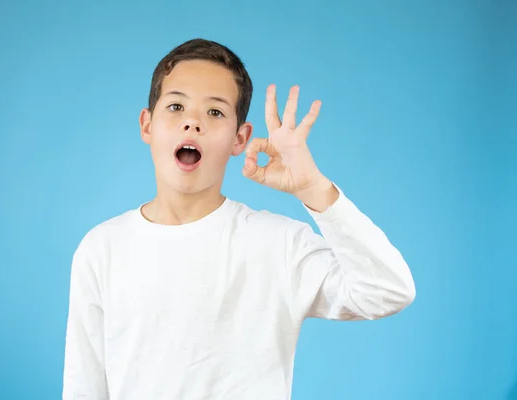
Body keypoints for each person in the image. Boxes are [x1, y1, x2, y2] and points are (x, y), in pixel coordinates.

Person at [62, 38, 416, 399]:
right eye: (175, 106)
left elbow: (387, 291)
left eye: (214, 112)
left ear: (240, 137)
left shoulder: (277, 244)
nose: (192, 123)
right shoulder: (102, 248)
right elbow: (83, 387)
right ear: (147, 124)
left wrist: (313, 187)